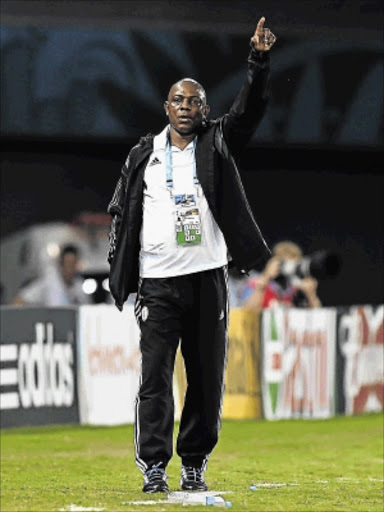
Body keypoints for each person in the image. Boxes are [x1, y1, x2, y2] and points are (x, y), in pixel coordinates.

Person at [107, 17, 276, 494]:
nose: (186, 107)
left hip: (208, 280)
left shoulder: (218, 142)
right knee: (154, 379)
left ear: (205, 109)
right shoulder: (144, 155)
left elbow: (248, 112)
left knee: (205, 380)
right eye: (178, 100)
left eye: (195, 101)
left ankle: (194, 464)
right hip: (158, 284)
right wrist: (124, 278)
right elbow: (121, 214)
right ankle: (154, 466)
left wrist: (258, 61)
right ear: (166, 107)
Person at [229, 241, 322, 311]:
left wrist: (311, 295)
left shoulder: (298, 289)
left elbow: (317, 319)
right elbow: (247, 312)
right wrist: (266, 276)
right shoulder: (256, 283)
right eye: (285, 263)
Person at [12, 244, 90, 306]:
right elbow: (20, 299)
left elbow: (87, 307)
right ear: (61, 264)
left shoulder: (80, 286)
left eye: (73, 264)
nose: (70, 268)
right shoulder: (48, 283)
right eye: (68, 264)